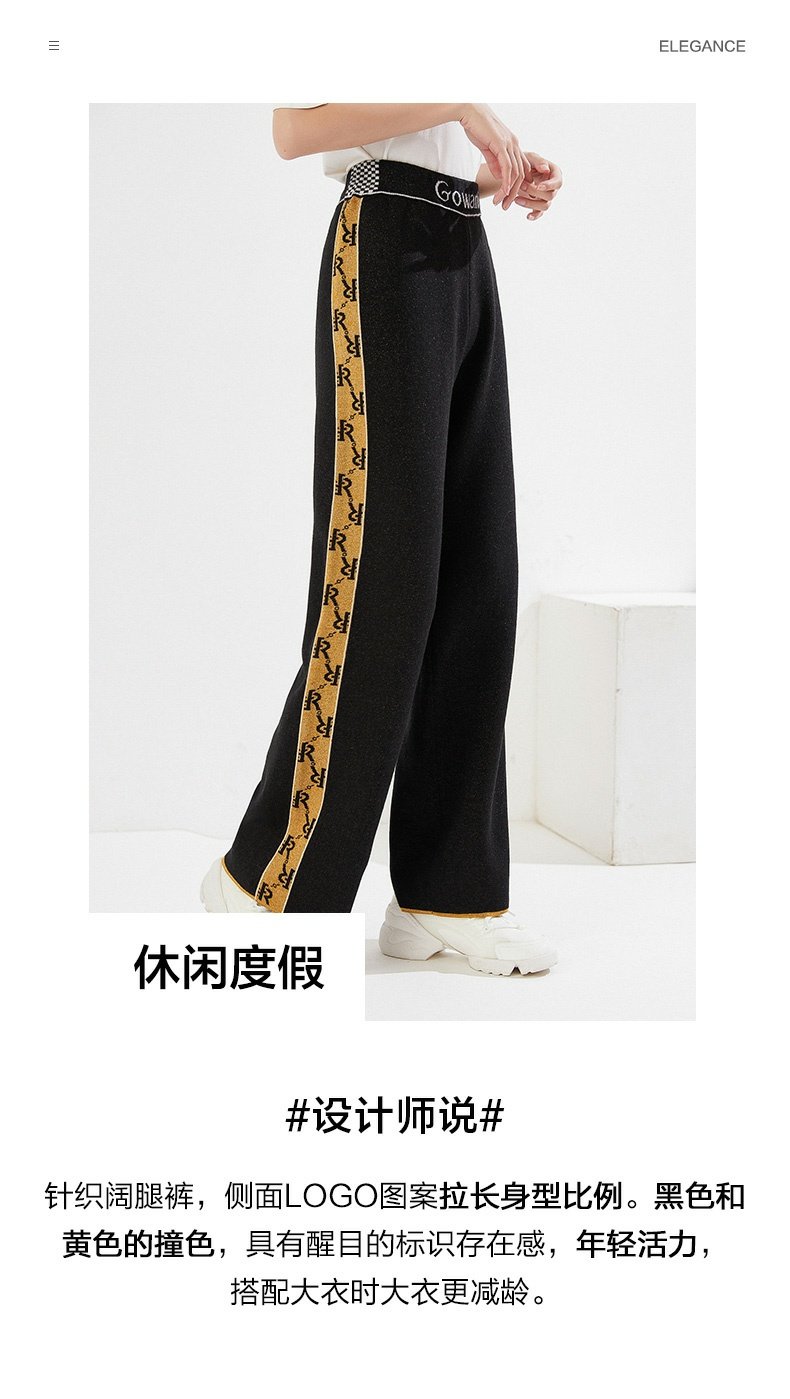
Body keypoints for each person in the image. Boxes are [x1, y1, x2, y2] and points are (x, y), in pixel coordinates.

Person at [201, 103, 563, 977]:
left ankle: (448, 893)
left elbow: (424, 139)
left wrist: (494, 174)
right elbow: (295, 130)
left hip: (462, 240)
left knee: (477, 579)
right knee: (380, 578)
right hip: (384, 241)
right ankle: (267, 879)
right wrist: (462, 103)